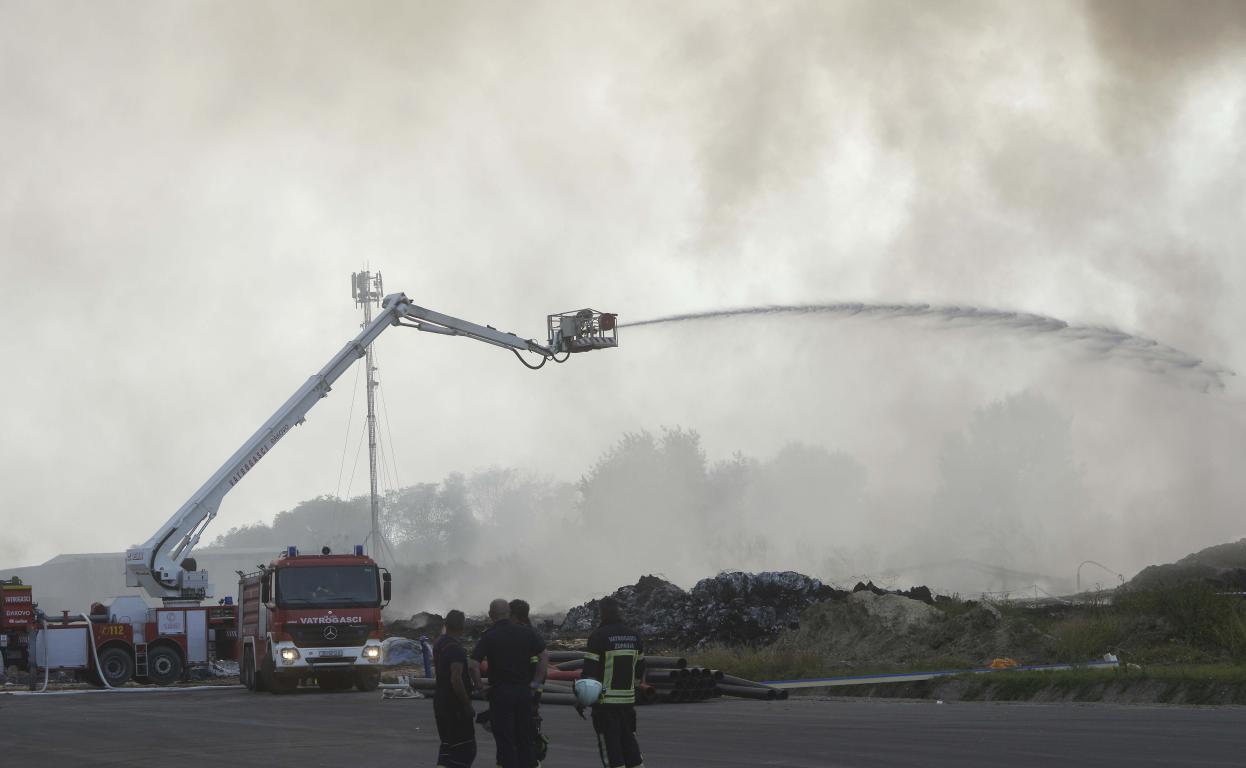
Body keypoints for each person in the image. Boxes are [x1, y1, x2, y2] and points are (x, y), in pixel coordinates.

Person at [469, 598, 547, 768]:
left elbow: (473, 664)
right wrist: (535, 684)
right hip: (524, 693)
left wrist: (480, 687)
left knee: (505, 743)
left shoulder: (489, 635)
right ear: (509, 613)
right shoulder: (527, 633)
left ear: (491, 615)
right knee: (525, 741)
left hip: (501, 694)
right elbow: (543, 657)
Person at [581, 597, 645, 768]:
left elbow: (589, 673)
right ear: (618, 611)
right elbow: (640, 668)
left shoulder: (598, 636)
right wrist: (634, 689)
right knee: (630, 747)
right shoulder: (634, 636)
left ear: (601, 613)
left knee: (611, 752)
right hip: (628, 704)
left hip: (605, 705)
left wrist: (582, 700)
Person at [433, 609, 476, 768]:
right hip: (454, 706)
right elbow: (456, 679)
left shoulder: (439, 643)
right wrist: (466, 704)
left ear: (446, 624)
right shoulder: (456, 649)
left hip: (440, 701)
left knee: (447, 746)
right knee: (465, 749)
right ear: (462, 627)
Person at [509, 598, 549, 767]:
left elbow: (540, 670)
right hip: (521, 700)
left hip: (525, 701)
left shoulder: (527, 638)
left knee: (525, 746)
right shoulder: (530, 636)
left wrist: (534, 697)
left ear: (515, 616)